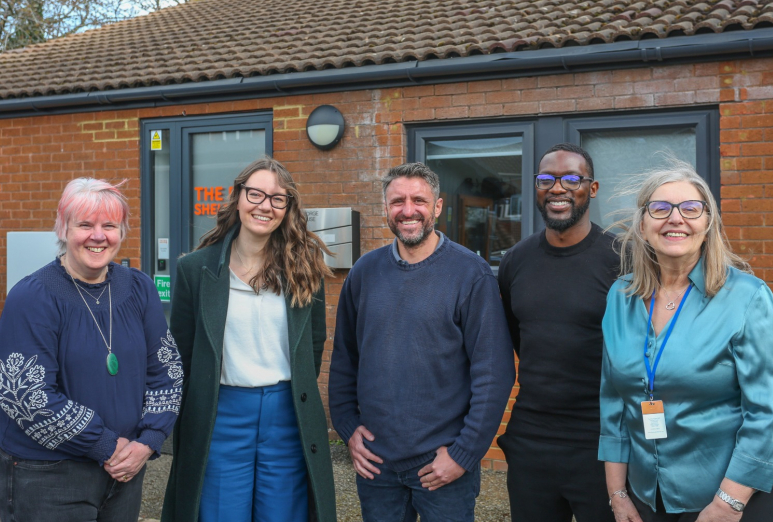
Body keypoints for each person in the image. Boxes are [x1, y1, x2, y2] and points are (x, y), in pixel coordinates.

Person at [599, 161, 773, 522]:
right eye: (660, 208)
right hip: (648, 498)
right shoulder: (620, 296)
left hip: (734, 497)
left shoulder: (747, 297)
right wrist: (618, 494)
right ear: (643, 224)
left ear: (708, 223)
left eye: (690, 208)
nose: (675, 218)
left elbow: (768, 412)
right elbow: (613, 402)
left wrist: (727, 504)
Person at [328, 162, 515, 522]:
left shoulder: (470, 274)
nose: (408, 210)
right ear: (385, 208)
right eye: (397, 201)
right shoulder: (364, 273)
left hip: (441, 465)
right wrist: (348, 428)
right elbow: (344, 360)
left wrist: (464, 454)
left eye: (419, 200)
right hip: (376, 464)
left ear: (438, 207)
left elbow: (493, 373)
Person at [0, 178, 181, 522]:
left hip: (125, 471)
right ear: (63, 228)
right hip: (47, 475)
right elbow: (25, 396)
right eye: (85, 225)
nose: (98, 236)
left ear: (121, 231)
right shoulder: (33, 296)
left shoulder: (139, 287)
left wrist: (149, 440)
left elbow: (166, 369)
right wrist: (106, 445)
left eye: (109, 225)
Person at [161, 156, 337, 522]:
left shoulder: (305, 266)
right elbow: (182, 356)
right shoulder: (196, 269)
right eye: (256, 194)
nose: (265, 205)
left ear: (287, 208)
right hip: (220, 413)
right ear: (238, 197)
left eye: (278, 198)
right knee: (219, 513)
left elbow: (314, 344)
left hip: (287, 414)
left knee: (283, 514)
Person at [497, 143, 618, 522]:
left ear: (592, 188)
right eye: (546, 179)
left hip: (600, 441)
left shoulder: (623, 259)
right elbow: (519, 339)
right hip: (532, 439)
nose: (558, 189)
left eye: (571, 179)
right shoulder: (515, 260)